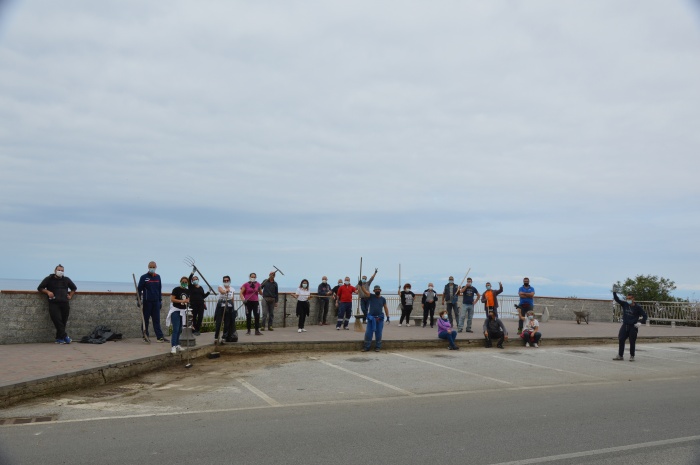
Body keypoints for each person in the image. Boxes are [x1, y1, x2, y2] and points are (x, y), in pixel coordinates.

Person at [37, 264, 77, 344]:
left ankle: (59, 338)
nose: (60, 272)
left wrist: (70, 295)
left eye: (62, 270)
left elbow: (74, 288)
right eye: (59, 270)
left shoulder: (66, 279)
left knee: (63, 321)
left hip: (65, 303)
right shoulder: (49, 279)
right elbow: (40, 288)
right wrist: (48, 292)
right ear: (55, 271)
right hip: (54, 303)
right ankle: (65, 336)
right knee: (57, 320)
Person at [137, 261, 168, 343]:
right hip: (147, 302)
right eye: (151, 267)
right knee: (145, 320)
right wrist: (138, 300)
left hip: (156, 302)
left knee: (156, 320)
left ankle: (160, 337)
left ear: (156, 267)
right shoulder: (144, 277)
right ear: (148, 267)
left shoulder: (158, 277)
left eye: (153, 267)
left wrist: (160, 301)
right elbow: (139, 290)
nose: (152, 268)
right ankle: (145, 336)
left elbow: (159, 289)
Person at [613, 292, 648, 361]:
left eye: (629, 298)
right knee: (621, 339)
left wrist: (640, 322)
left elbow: (645, 316)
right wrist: (614, 292)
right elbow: (617, 300)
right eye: (627, 298)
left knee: (632, 341)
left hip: (633, 326)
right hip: (625, 325)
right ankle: (620, 355)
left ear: (633, 299)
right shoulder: (625, 304)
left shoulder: (637, 307)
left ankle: (632, 356)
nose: (628, 300)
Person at [362, 285, 390, 352]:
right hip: (371, 318)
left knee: (379, 333)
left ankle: (378, 347)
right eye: (376, 290)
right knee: (368, 333)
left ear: (380, 290)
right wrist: (361, 286)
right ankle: (366, 347)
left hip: (379, 319)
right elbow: (365, 292)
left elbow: (385, 307)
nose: (377, 290)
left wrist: (388, 316)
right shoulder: (371, 296)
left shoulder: (383, 299)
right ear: (374, 291)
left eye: (378, 289)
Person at [167, 277, 190, 354]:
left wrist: (187, 302)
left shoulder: (187, 291)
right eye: (183, 282)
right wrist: (181, 301)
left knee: (180, 329)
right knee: (176, 328)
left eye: (186, 282)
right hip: (176, 310)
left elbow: (188, 299)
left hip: (183, 311)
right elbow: (172, 299)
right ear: (180, 282)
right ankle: (173, 345)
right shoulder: (176, 289)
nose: (184, 283)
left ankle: (177, 344)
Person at [215, 276, 237, 343]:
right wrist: (225, 291)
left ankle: (224, 337)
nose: (226, 282)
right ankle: (216, 337)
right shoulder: (220, 286)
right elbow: (221, 291)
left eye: (227, 280)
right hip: (221, 304)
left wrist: (233, 308)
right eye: (225, 280)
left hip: (229, 305)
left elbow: (232, 298)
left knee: (227, 323)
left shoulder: (232, 289)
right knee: (219, 322)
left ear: (229, 281)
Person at [188, 271, 210, 336]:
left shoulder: (201, 288)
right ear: (192, 281)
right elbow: (189, 279)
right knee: (194, 317)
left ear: (198, 280)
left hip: (201, 304)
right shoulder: (191, 287)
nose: (195, 280)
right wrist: (192, 273)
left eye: (196, 279)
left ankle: (197, 329)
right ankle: (194, 329)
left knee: (200, 317)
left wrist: (208, 292)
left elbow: (203, 296)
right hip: (193, 304)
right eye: (193, 279)